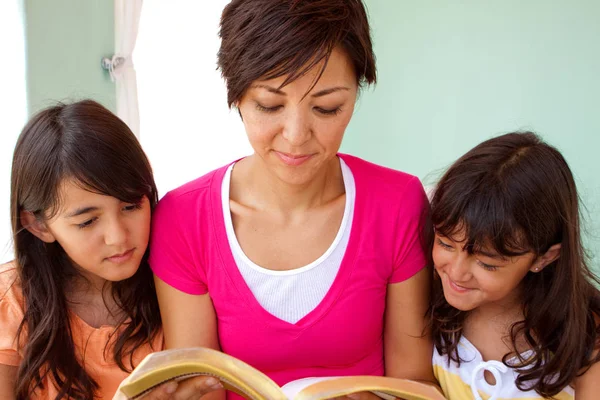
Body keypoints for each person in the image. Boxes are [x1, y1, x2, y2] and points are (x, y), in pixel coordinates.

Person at [149, 1, 435, 399]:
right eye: (270, 105)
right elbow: (198, 387)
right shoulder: (184, 219)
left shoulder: (397, 203)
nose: (297, 135)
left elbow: (417, 384)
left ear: (357, 92)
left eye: (327, 107)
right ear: (235, 96)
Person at [0, 100, 219, 400]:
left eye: (131, 206)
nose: (118, 237)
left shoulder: (179, 282)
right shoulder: (9, 302)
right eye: (88, 221)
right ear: (39, 226)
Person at [429, 132, 600, 399]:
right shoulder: (425, 299)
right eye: (446, 244)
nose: (457, 271)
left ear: (544, 257)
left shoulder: (587, 338)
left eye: (487, 263)